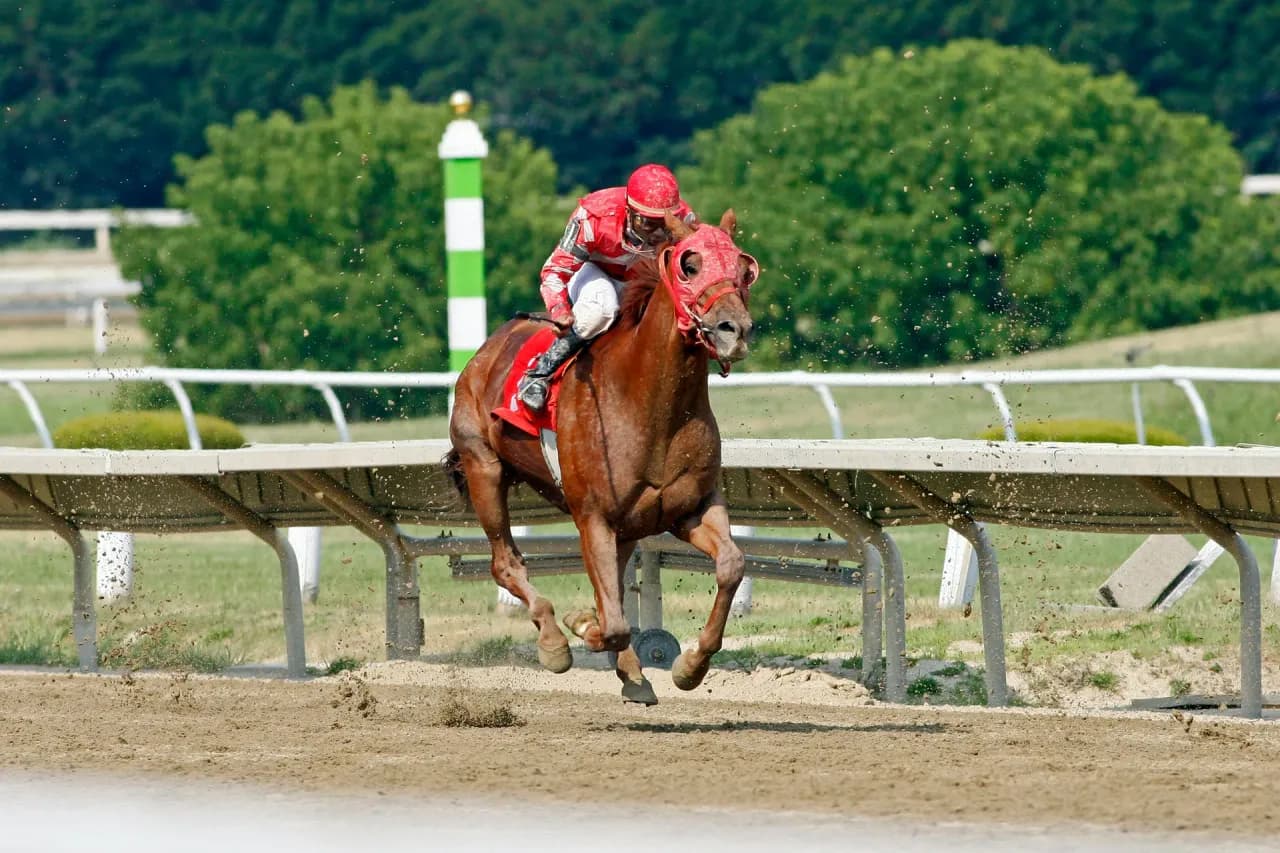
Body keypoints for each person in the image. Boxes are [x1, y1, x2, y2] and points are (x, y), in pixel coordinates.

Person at [516, 163, 697, 411]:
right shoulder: (593, 217)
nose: (657, 233)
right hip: (595, 271)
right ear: (629, 211)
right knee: (601, 309)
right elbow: (554, 271)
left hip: (643, 280)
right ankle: (539, 374)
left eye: (664, 223)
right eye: (648, 222)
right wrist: (559, 310)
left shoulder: (685, 220)